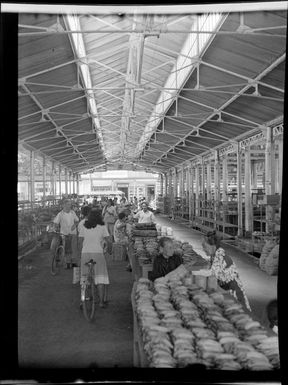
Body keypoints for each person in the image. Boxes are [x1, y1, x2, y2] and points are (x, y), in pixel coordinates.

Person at [202, 230, 251, 311]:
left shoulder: (220, 255)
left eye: (205, 246)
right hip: (227, 289)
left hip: (234, 293)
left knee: (239, 314)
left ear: (213, 246)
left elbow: (211, 277)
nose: (203, 249)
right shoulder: (215, 253)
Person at [78, 209, 110, 308]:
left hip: (85, 253)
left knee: (84, 279)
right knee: (100, 278)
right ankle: (101, 302)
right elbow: (108, 240)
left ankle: (82, 301)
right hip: (98, 254)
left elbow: (80, 242)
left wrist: (81, 254)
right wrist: (109, 249)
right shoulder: (102, 226)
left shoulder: (84, 225)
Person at [50, 199, 79, 269]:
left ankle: (74, 262)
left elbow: (77, 220)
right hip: (64, 234)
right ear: (64, 205)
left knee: (74, 248)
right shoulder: (60, 214)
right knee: (67, 249)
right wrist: (55, 228)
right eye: (68, 204)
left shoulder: (73, 212)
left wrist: (75, 225)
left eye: (70, 205)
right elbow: (55, 223)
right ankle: (68, 263)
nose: (69, 206)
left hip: (73, 233)